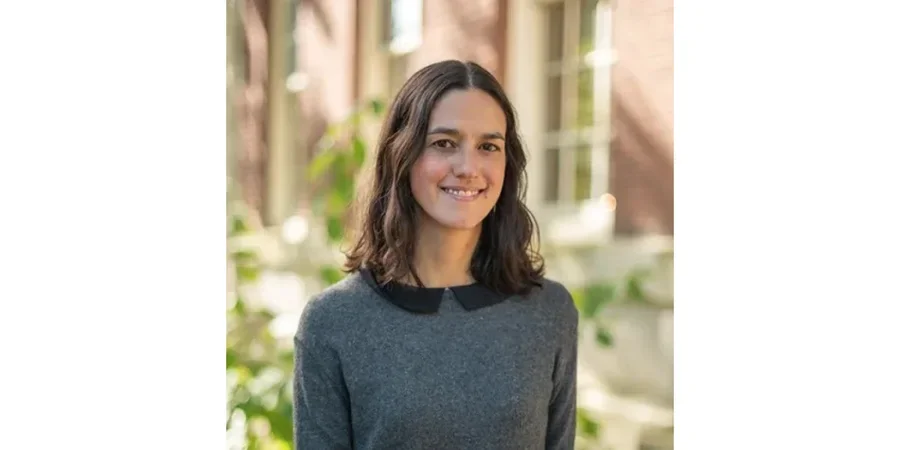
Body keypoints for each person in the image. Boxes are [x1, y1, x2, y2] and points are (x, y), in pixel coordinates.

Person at [292, 59, 579, 450]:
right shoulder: (334, 322)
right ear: (402, 154)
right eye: (444, 143)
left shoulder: (549, 311)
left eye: (488, 147)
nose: (468, 167)